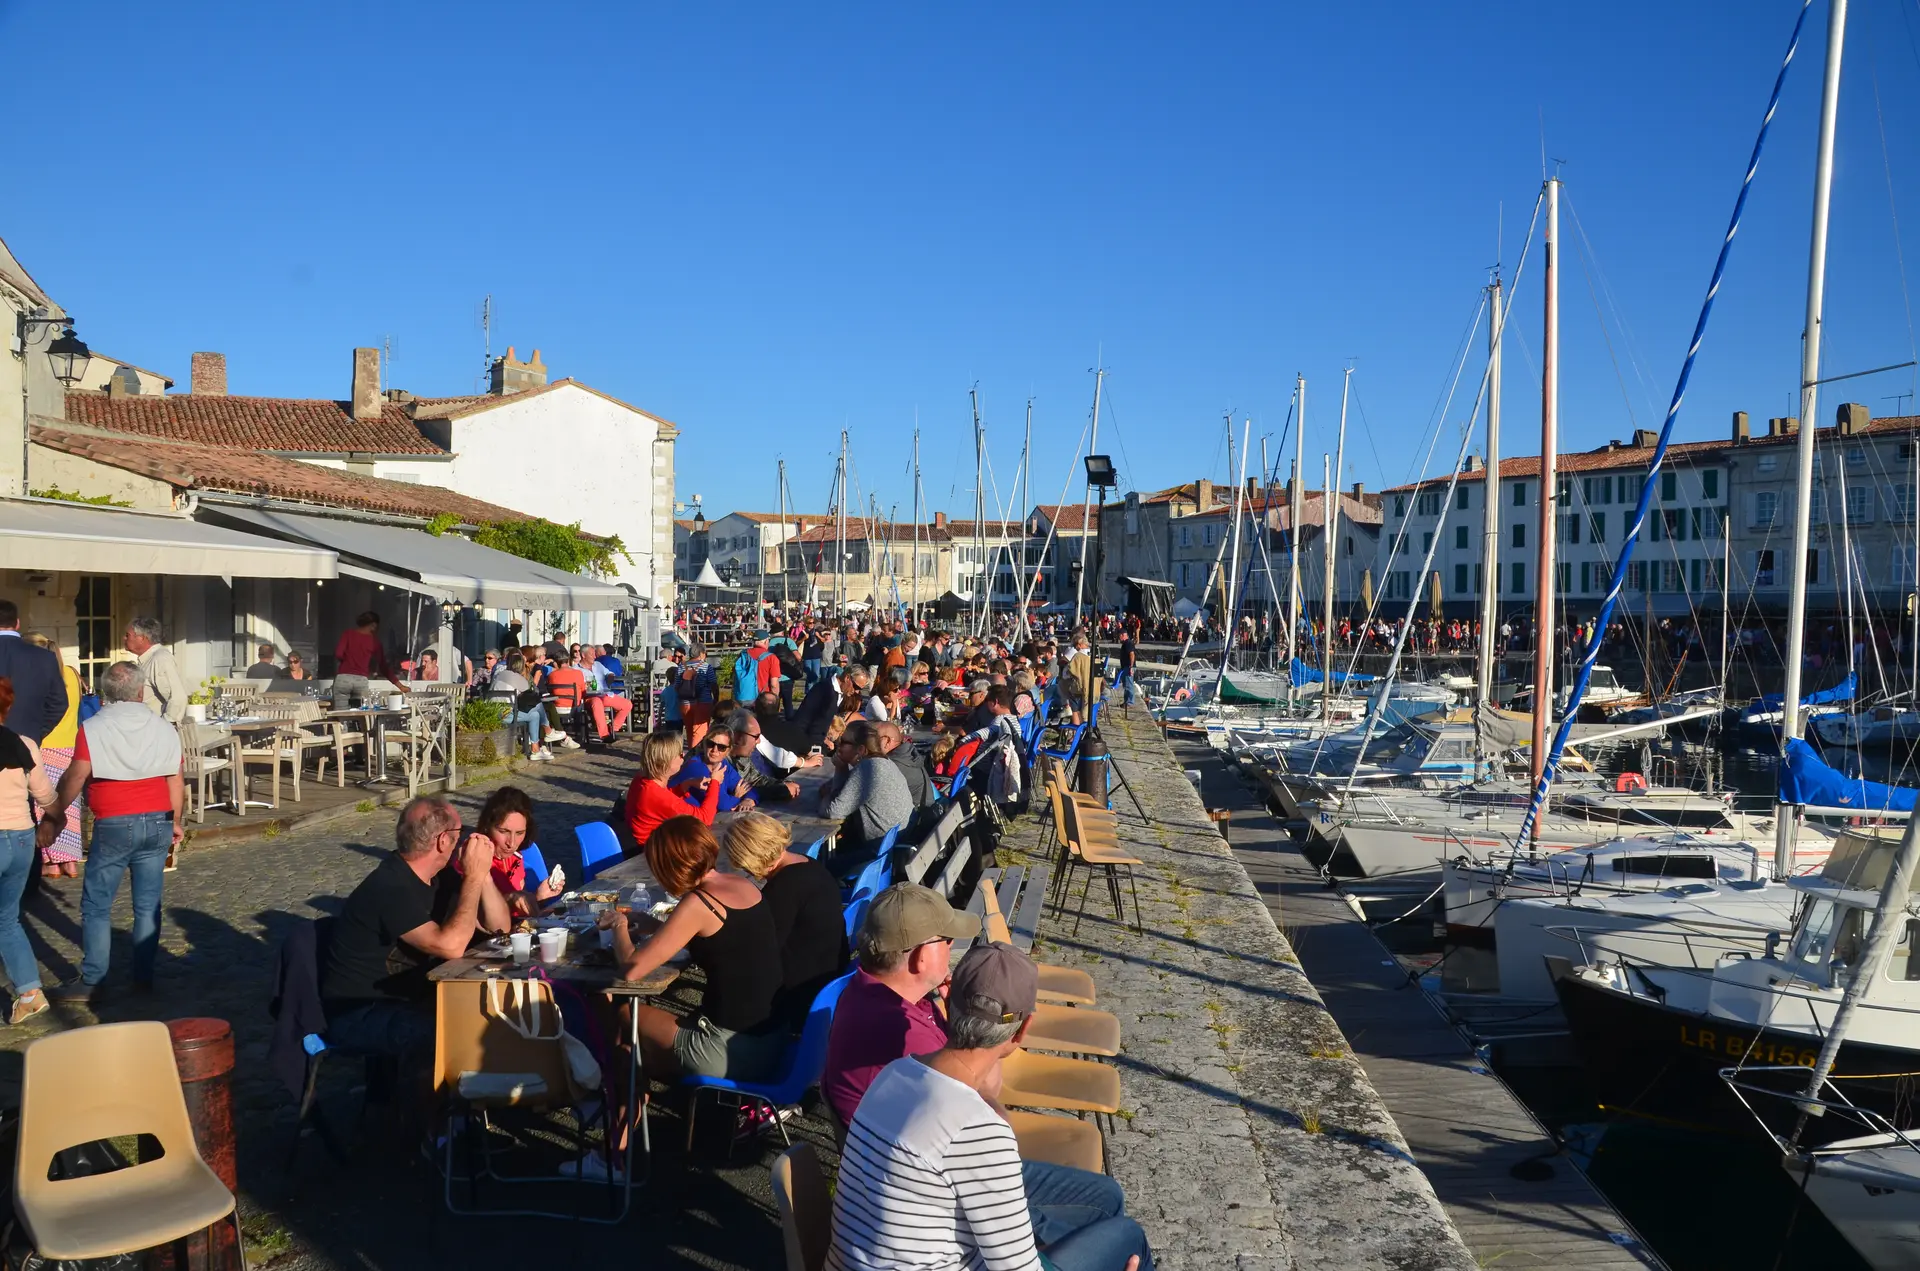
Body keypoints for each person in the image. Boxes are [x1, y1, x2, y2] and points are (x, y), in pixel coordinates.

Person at [827, 941, 1152, 1271]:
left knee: (1106, 1195)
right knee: (1130, 1238)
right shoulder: (976, 1130)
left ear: (948, 1006)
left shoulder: (894, 1073)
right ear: (1022, 1029)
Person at [320, 797, 511, 1062]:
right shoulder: (389, 886)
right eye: (459, 833)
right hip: (360, 1011)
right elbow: (451, 946)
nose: (462, 840)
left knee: (496, 1017)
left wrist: (484, 875)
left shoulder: (439, 876)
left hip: (407, 998)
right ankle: (419, 1102)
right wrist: (473, 877)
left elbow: (499, 926)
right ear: (443, 841)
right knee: (456, 1034)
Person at [37, 662, 183, 1003]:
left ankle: (94, 979)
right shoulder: (164, 728)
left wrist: (54, 816)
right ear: (141, 691)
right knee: (148, 906)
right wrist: (176, 820)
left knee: (98, 905)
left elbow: (75, 776)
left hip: (115, 821)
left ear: (105, 692)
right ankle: (143, 978)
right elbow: (175, 781)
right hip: (157, 818)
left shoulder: (93, 728)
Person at [600, 815, 786, 1080]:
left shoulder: (700, 902)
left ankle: (623, 1099)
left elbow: (632, 969)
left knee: (620, 1011)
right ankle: (637, 1089)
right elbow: (723, 937)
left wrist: (618, 924)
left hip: (731, 1050)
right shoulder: (744, 884)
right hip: (771, 1037)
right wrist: (654, 925)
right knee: (641, 1051)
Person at [820, 883, 977, 1128]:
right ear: (921, 957)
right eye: (947, 939)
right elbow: (975, 1102)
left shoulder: (870, 990)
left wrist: (956, 1017)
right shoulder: (902, 1035)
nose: (952, 946)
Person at [723, 811, 847, 1030]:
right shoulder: (807, 864)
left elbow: (759, 953)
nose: (747, 872)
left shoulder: (785, 888)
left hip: (801, 996)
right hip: (827, 980)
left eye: (744, 866)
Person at [0, 677, 54, 1024]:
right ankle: (29, 993)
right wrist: (55, 821)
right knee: (7, 918)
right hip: (21, 837)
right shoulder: (23, 745)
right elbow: (46, 796)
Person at [21, 635, 81, 877]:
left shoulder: (36, 676)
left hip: (45, 745)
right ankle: (71, 861)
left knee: (43, 803)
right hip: (70, 745)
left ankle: (51, 862)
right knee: (69, 803)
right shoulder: (72, 673)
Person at [467, 786, 564, 917]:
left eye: (519, 833)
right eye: (503, 831)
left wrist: (538, 897)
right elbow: (471, 916)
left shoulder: (515, 857)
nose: (511, 843)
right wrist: (510, 899)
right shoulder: (471, 859)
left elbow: (515, 913)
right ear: (487, 827)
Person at [821, 721, 914, 856]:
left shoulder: (869, 769)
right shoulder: (883, 762)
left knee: (822, 865)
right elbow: (844, 793)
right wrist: (841, 769)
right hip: (894, 843)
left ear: (862, 750)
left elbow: (832, 811)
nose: (838, 746)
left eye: (844, 742)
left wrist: (826, 797)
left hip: (879, 853)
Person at [624, 729, 722, 849]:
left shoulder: (642, 778)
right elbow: (704, 819)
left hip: (643, 841)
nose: (684, 755)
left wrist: (685, 785)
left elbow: (658, 802)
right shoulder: (655, 795)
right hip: (648, 851)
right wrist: (715, 781)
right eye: (680, 754)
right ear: (667, 761)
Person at [0, 600, 67, 742]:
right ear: (17, 623)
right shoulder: (44, 657)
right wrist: (36, 733)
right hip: (26, 741)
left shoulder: (44, 657)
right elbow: (59, 703)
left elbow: (58, 703)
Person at [671, 724, 758, 813]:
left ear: (728, 751)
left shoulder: (723, 765)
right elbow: (723, 805)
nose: (714, 750)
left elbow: (748, 788)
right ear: (704, 744)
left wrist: (748, 800)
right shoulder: (696, 767)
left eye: (721, 747)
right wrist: (737, 797)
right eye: (710, 744)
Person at [123, 617, 187, 725]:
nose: (124, 638)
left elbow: (177, 698)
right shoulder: (147, 659)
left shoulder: (160, 658)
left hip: (153, 731)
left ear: (142, 638)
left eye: (127, 635)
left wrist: (164, 726)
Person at [334, 611, 408, 704]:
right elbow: (383, 668)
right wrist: (400, 686)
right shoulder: (375, 642)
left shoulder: (348, 634)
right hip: (361, 681)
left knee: (340, 713)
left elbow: (338, 654)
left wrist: (348, 661)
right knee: (359, 714)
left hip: (343, 678)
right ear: (373, 625)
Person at [581, 646, 633, 741]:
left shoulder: (598, 665)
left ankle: (613, 728)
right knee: (597, 703)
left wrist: (610, 676)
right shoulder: (577, 669)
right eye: (591, 654)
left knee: (627, 704)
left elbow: (609, 673)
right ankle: (604, 735)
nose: (594, 656)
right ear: (583, 655)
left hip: (604, 694)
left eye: (594, 654)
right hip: (589, 697)